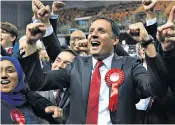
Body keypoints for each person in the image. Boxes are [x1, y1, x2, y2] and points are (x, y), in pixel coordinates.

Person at [19, 15, 169, 124]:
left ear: (115, 40)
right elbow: (39, 82)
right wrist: (31, 43)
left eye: (101, 31)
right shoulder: (76, 64)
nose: (93, 34)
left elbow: (157, 89)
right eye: (91, 31)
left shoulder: (130, 64)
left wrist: (148, 43)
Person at [0, 56, 63, 124]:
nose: (4, 75)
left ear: (20, 75)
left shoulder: (31, 100)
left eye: (10, 71)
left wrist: (53, 114)